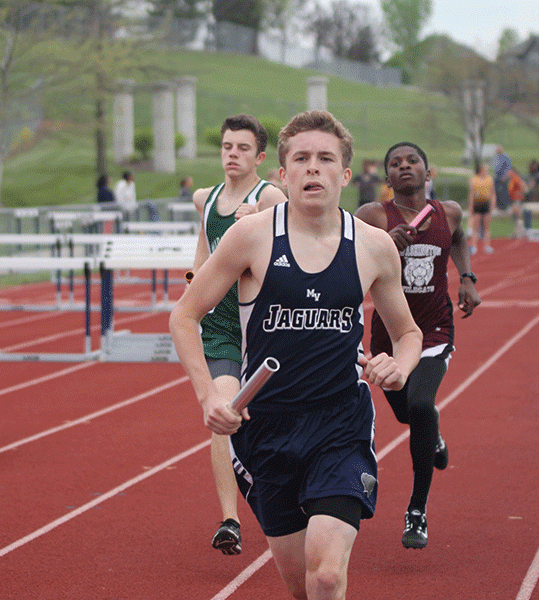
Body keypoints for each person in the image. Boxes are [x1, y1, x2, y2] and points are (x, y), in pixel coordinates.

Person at [171, 110, 422, 600]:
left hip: (339, 423)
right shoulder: (250, 237)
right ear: (281, 175)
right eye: (301, 159)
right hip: (266, 429)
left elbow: (408, 333)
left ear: (345, 175)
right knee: (301, 587)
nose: (313, 168)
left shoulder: (372, 247)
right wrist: (207, 396)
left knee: (326, 575)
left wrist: (400, 364)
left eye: (325, 159)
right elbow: (184, 316)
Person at [355, 142, 481, 550]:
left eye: (412, 162)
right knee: (408, 411)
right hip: (388, 335)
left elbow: (459, 239)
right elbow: (347, 255)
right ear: (386, 176)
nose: (404, 166)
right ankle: (435, 439)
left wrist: (466, 278)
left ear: (429, 173)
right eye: (395, 163)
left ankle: (417, 509)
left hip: (433, 331)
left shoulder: (449, 212)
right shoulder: (373, 216)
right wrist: (385, 243)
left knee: (422, 406)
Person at [188, 113, 287, 556]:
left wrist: (262, 220)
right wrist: (195, 283)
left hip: (265, 327)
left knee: (275, 422)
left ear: (259, 157)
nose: (233, 154)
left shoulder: (269, 197)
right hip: (223, 329)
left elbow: (292, 245)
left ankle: (288, 502)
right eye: (228, 147)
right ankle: (230, 520)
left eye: (243, 148)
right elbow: (204, 251)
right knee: (223, 414)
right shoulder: (204, 198)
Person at [467, 163, 494, 254]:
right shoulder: (474, 179)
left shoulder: (489, 179)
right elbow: (471, 194)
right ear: (481, 170)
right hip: (477, 204)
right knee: (476, 226)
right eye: (486, 170)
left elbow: (493, 193)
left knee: (487, 227)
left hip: (486, 204)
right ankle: (474, 246)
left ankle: (487, 246)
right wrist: (470, 206)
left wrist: (492, 204)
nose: (487, 171)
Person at [507, 168, 527, 238]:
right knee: (516, 216)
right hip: (514, 199)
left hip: (517, 199)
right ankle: (518, 232)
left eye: (509, 172)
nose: (508, 173)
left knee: (517, 216)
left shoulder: (515, 178)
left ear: (513, 172)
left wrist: (521, 192)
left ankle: (522, 232)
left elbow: (522, 185)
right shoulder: (512, 179)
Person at [492, 145, 512, 211]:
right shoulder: (496, 157)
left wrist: (506, 176)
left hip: (503, 177)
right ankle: (498, 206)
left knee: (504, 192)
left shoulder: (505, 157)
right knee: (497, 191)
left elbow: (508, 167)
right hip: (497, 177)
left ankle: (505, 206)